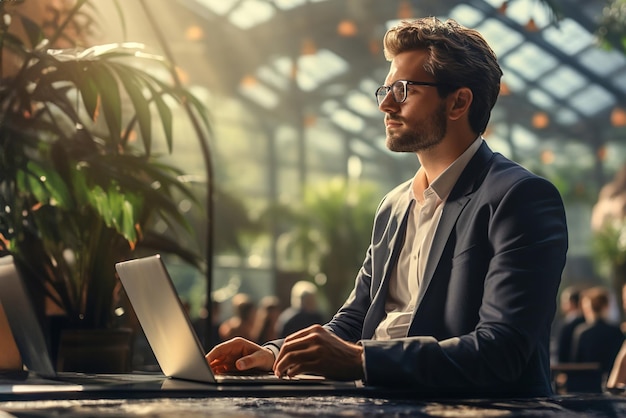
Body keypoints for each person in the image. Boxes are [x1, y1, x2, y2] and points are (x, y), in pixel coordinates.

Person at [206, 17, 568, 397]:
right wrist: (274, 353)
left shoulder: (520, 196)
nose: (385, 104)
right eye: (386, 89)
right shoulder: (394, 205)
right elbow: (356, 318)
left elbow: (502, 350)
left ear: (459, 102)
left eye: (403, 90)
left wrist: (361, 362)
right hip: (375, 399)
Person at [570, 286, 624, 374]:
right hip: (611, 379)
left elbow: (576, 363)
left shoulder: (582, 332)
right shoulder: (617, 331)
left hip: (588, 381)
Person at [555, 285, 586, 363]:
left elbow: (562, 350)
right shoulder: (586, 321)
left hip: (569, 367)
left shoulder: (567, 324)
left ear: (571, 302)